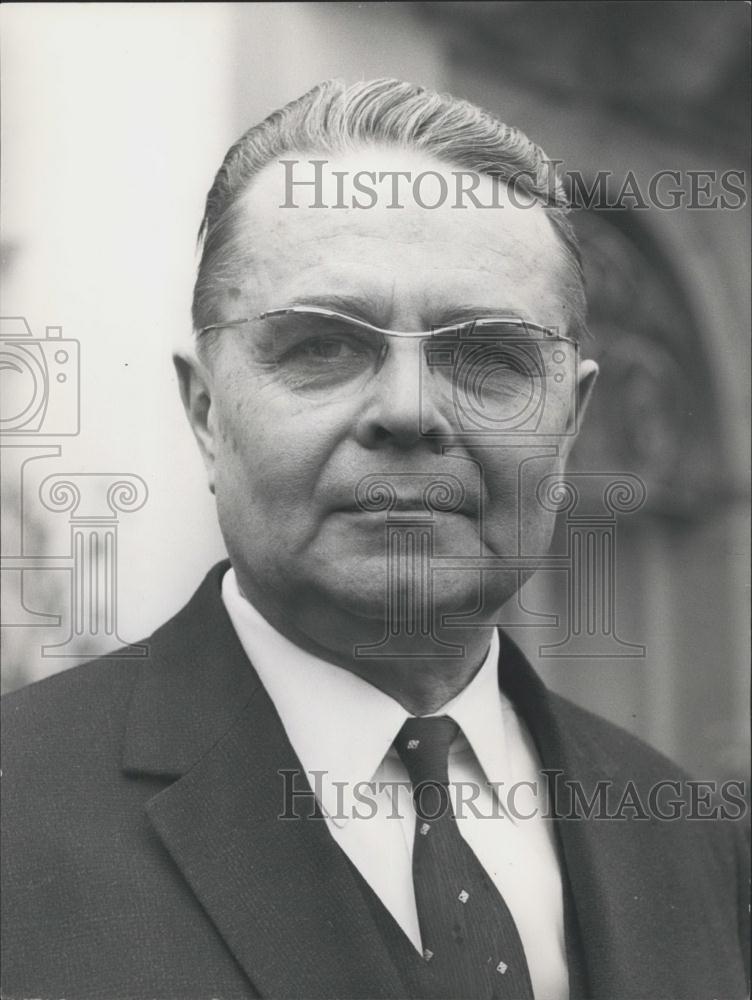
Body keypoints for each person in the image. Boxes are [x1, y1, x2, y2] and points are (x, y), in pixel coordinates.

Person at [1, 79, 748, 1000]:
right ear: (205, 412)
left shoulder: (691, 839)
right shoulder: (17, 806)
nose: (407, 411)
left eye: (487, 357)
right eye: (322, 347)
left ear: (571, 417)